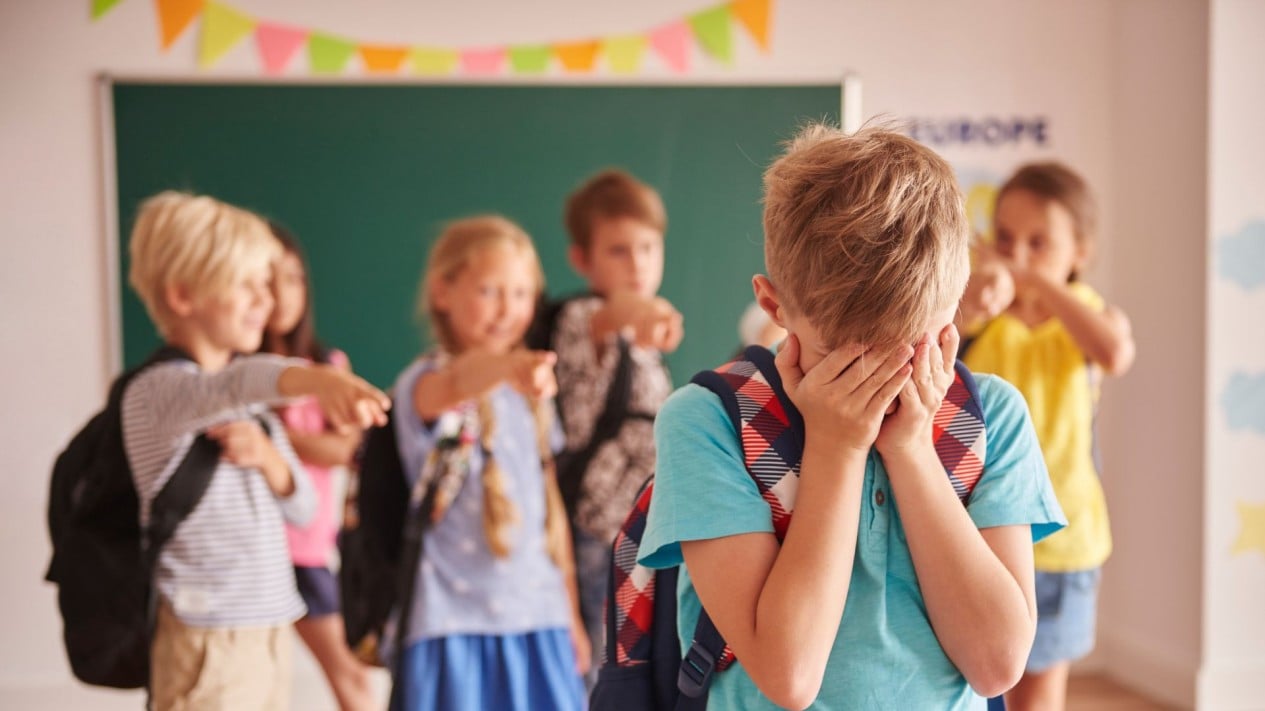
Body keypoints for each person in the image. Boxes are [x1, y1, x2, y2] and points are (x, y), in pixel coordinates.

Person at [637, 125, 1067, 709]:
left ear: (956, 299)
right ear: (774, 305)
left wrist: (912, 450)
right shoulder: (706, 423)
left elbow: (996, 667)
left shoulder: (993, 416)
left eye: (910, 350)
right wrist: (836, 449)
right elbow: (790, 677)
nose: (881, 384)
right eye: (845, 357)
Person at [123, 191, 389, 710]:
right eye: (247, 286)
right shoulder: (160, 391)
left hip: (263, 628)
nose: (265, 303)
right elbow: (232, 385)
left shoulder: (254, 410)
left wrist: (270, 459)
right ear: (182, 296)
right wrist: (316, 378)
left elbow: (305, 508)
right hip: (207, 639)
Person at [388, 216, 587, 710]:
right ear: (442, 292)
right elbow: (460, 382)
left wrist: (571, 614)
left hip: (539, 618)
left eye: (521, 294)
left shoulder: (529, 397)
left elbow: (549, 511)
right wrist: (510, 367)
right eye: (490, 291)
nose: (508, 309)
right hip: (452, 622)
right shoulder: (425, 383)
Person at [959, 162, 1135, 711]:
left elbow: (1115, 352)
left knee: (1037, 698)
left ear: (1080, 251)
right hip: (976, 534)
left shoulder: (1091, 316)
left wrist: (1037, 284)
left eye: (1040, 243)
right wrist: (978, 295)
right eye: (1006, 238)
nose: (1019, 253)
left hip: (1063, 541)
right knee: (978, 685)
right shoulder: (979, 316)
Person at [537, 169, 682, 680]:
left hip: (642, 535)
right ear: (582, 259)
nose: (638, 263)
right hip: (597, 533)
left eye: (648, 247)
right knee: (598, 678)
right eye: (618, 250)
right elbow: (609, 312)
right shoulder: (583, 319)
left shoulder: (643, 345)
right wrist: (643, 309)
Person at [260, 223, 376, 711]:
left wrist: (271, 438)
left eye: (293, 278)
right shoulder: (229, 370)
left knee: (348, 673)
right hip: (250, 549)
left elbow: (345, 448)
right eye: (267, 280)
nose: (281, 294)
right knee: (259, 677)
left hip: (306, 545)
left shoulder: (327, 364)